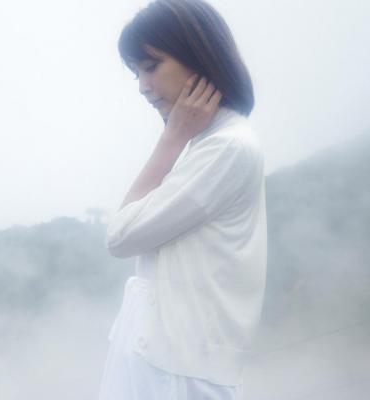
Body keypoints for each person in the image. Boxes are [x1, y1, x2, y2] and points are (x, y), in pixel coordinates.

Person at [98, 1, 266, 399]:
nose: (142, 86)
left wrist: (170, 139)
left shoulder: (226, 148)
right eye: (136, 72)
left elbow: (120, 236)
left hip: (177, 372)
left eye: (151, 66)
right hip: (163, 360)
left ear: (198, 57)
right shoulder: (207, 144)